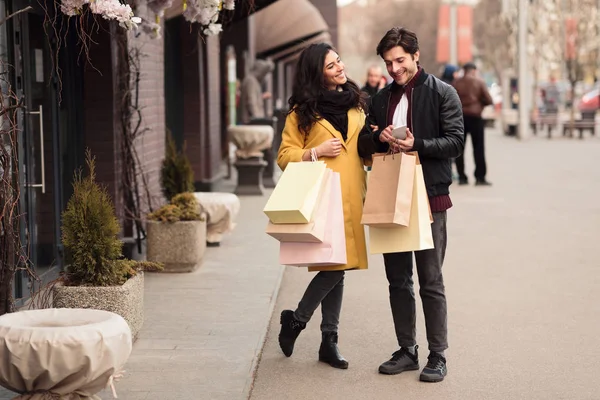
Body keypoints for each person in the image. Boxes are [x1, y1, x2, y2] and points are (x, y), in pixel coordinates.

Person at [357, 27, 464, 383]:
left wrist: (419, 145)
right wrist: (377, 137)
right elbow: (362, 145)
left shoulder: (443, 92)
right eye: (388, 62)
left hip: (430, 195)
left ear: (416, 55)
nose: (394, 68)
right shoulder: (380, 98)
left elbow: (455, 141)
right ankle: (407, 350)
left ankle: (438, 355)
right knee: (397, 280)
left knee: (430, 279)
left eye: (400, 60)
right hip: (391, 194)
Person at [276, 43, 369, 370]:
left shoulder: (356, 104)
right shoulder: (301, 113)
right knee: (336, 266)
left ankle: (328, 341)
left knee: (338, 267)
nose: (340, 68)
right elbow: (284, 156)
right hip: (323, 199)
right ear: (318, 73)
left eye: (339, 61)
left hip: (353, 195)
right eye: (331, 66)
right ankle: (298, 320)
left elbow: (360, 151)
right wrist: (315, 152)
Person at [452, 62, 493, 186]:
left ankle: (462, 177)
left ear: (464, 70)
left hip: (460, 119)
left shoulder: (456, 83)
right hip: (476, 118)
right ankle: (480, 177)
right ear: (474, 71)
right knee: (479, 148)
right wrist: (479, 105)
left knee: (459, 149)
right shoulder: (479, 82)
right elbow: (489, 100)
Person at [239, 59, 274, 124]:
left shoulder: (254, 81)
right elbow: (251, 101)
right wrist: (258, 120)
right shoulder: (250, 81)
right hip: (250, 122)